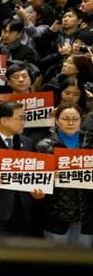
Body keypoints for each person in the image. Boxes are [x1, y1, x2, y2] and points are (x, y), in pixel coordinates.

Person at [0, 101, 44, 236]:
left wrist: (39, 191)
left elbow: (35, 175)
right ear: (4, 121)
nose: (24, 122)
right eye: (20, 118)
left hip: (24, 214)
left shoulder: (27, 143)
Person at [35, 103, 93, 246]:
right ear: (56, 120)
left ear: (81, 120)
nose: (70, 123)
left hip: (86, 216)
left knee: (83, 258)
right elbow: (38, 181)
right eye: (65, 118)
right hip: (56, 215)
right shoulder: (44, 146)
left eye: (75, 119)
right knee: (57, 258)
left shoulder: (91, 143)